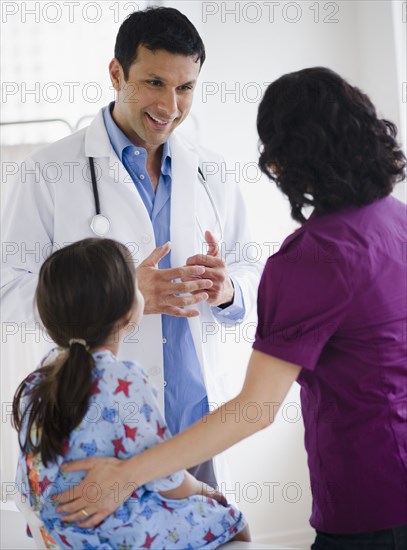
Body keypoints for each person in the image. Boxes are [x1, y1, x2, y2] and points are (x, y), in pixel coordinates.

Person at [54, 68, 407, 550]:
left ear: (284, 160)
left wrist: (126, 475)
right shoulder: (397, 220)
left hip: (371, 505)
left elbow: (256, 409)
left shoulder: (312, 258)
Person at [1, 7, 261, 488]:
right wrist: (116, 297)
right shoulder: (47, 172)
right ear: (116, 73)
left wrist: (227, 291)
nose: (170, 105)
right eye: (154, 82)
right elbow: (8, 291)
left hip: (196, 425)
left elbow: (253, 270)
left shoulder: (212, 170)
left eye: (185, 88)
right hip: (102, 425)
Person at [12, 238, 250, 549]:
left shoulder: (37, 380)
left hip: (60, 534)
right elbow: (169, 479)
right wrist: (210, 493)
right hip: (116, 534)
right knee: (230, 521)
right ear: (129, 309)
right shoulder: (124, 380)